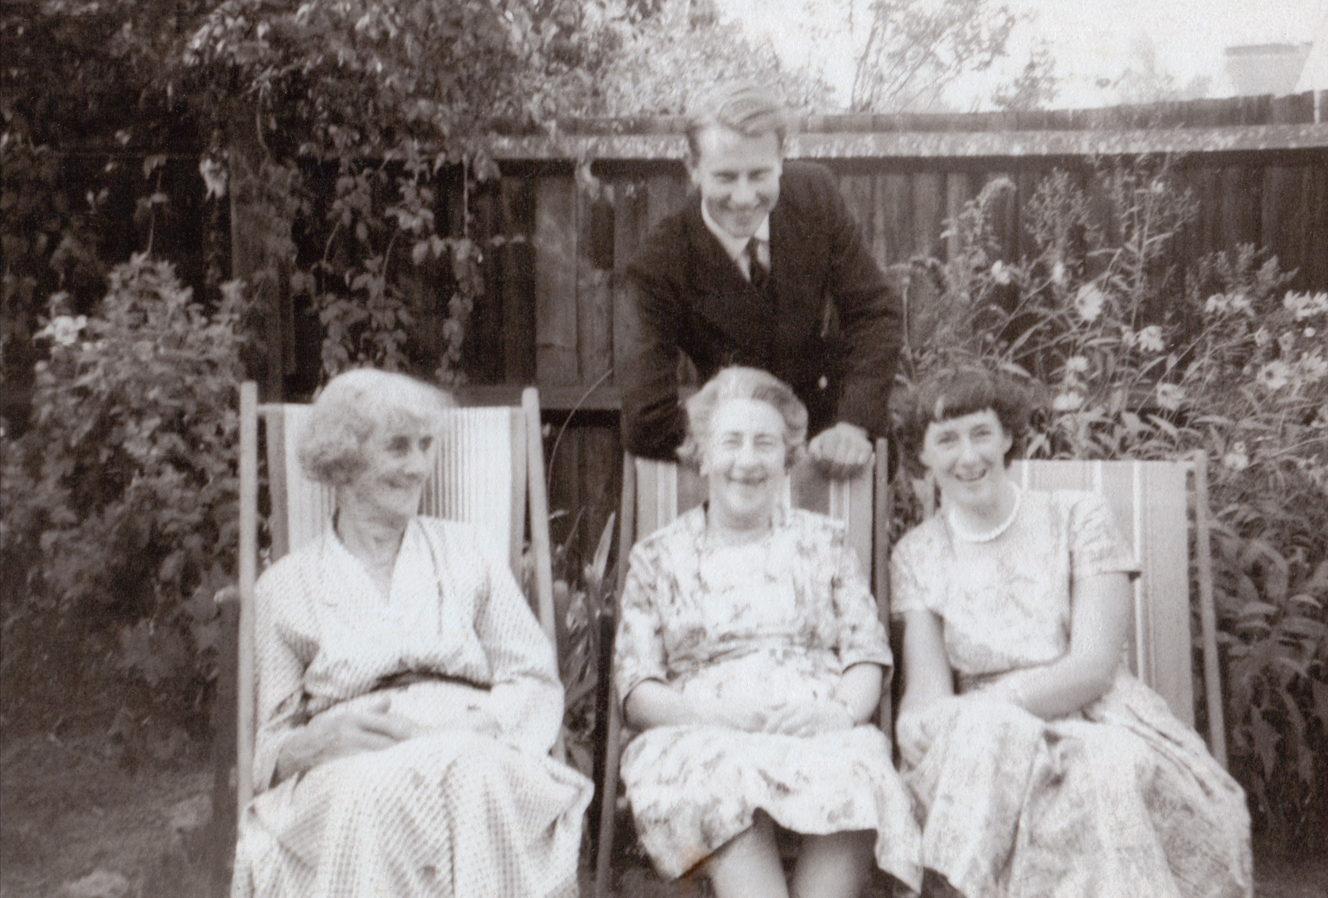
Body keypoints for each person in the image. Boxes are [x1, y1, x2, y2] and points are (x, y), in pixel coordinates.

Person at [889, 366, 1253, 898]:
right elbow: (927, 689)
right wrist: (912, 723)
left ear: (1008, 435)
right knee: (988, 747)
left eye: (981, 433)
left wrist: (990, 707)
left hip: (1098, 714)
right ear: (922, 455)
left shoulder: (1079, 516)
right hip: (979, 741)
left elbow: (1093, 666)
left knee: (1097, 768)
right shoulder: (917, 553)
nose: (968, 457)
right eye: (946, 439)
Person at [230, 369, 592, 898]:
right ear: (343, 461)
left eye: (426, 446)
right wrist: (315, 742)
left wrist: (475, 726)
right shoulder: (285, 587)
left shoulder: (471, 552)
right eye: (398, 448)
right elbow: (270, 747)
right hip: (350, 770)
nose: (419, 466)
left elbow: (533, 679)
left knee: (468, 776)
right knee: (370, 792)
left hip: (474, 746)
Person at [613, 366, 923, 898]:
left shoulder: (825, 541)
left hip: (815, 725)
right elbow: (638, 686)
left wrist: (839, 713)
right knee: (719, 780)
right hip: (699, 731)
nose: (747, 460)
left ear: (787, 459)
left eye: (765, 443)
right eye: (730, 442)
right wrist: (714, 718)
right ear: (703, 454)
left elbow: (865, 654)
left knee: (859, 771)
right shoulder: (657, 556)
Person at [618, 82, 904, 480]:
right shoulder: (658, 263)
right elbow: (645, 416)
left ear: (782, 159)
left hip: (832, 452)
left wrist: (853, 425)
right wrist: (735, 453)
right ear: (693, 168)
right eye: (725, 177)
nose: (743, 196)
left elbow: (876, 312)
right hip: (732, 463)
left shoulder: (815, 196)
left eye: (758, 174)